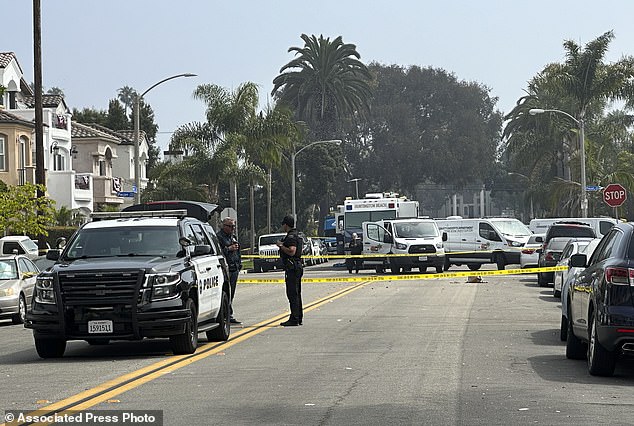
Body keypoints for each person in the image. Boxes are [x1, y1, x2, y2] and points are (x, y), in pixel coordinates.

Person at [276, 215, 304, 326]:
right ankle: (298, 317)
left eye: (283, 224)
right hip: (296, 266)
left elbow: (292, 251)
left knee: (292, 294)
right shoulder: (296, 234)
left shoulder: (291, 236)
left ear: (286, 225)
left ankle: (294, 318)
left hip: (292, 267)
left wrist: (281, 246)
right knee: (297, 293)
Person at [216, 217, 242, 324]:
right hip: (225, 269)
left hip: (234, 268)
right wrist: (228, 249)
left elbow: (238, 251)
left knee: (232, 293)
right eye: (230, 226)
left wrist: (239, 264)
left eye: (234, 226)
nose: (233, 228)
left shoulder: (233, 237)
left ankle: (229, 314)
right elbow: (218, 252)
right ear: (224, 226)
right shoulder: (219, 237)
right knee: (226, 293)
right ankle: (226, 314)